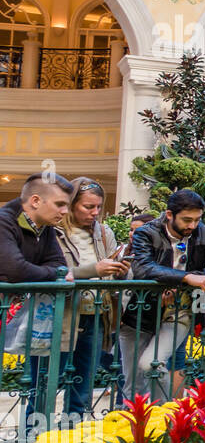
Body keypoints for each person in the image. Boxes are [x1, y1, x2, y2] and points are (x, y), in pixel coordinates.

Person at [119, 189, 205, 402]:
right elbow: (143, 268)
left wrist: (188, 279)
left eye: (197, 220)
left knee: (151, 363)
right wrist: (185, 277)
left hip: (180, 310)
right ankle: (135, 425)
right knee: (133, 380)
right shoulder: (147, 232)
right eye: (187, 220)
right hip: (141, 310)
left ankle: (165, 417)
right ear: (169, 215)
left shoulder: (203, 233)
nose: (192, 226)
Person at [0, 172, 76, 439]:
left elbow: (59, 265)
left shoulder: (43, 229)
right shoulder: (3, 221)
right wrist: (50, 274)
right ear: (35, 200)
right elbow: (13, 269)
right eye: (60, 204)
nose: (66, 211)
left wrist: (50, 271)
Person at [52, 178, 128, 424]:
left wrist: (121, 269)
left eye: (98, 207)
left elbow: (112, 273)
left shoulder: (104, 232)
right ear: (72, 204)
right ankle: (34, 441)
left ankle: (73, 436)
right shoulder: (53, 230)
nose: (95, 213)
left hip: (96, 312)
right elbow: (55, 271)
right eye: (88, 207)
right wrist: (95, 268)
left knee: (83, 382)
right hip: (60, 314)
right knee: (47, 381)